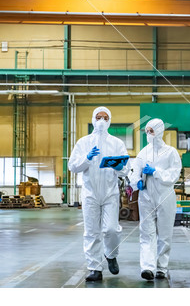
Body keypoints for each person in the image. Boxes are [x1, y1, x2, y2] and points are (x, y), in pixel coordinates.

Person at [68, 106, 129, 282]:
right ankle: (95, 268)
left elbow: (126, 168)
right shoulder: (83, 142)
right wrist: (86, 158)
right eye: (98, 117)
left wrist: (119, 166)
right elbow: (73, 166)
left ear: (109, 120)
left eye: (105, 118)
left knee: (111, 229)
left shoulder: (117, 143)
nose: (101, 121)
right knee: (91, 231)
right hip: (90, 192)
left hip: (110, 192)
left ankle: (111, 254)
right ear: (93, 119)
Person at [130, 118, 181, 281]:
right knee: (146, 234)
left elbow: (174, 175)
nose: (148, 134)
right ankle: (147, 267)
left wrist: (156, 171)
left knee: (165, 234)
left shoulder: (171, 152)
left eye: (151, 131)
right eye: (146, 131)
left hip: (165, 197)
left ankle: (162, 268)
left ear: (159, 131)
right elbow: (134, 171)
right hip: (146, 198)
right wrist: (136, 181)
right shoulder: (143, 153)